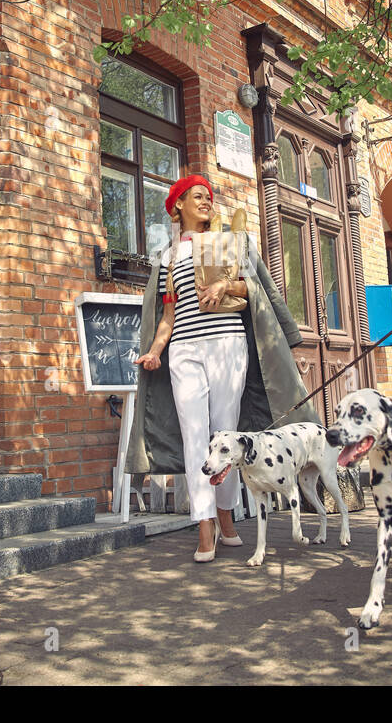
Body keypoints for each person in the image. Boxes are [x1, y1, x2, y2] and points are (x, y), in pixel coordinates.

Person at [127, 174, 317, 562]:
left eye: (210, 197)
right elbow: (168, 314)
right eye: (198, 196)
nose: (207, 201)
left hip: (228, 346)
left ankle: (227, 518)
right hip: (184, 350)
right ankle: (204, 524)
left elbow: (254, 289)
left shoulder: (229, 242)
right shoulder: (167, 257)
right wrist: (156, 350)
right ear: (177, 204)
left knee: (225, 435)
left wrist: (226, 287)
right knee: (195, 435)